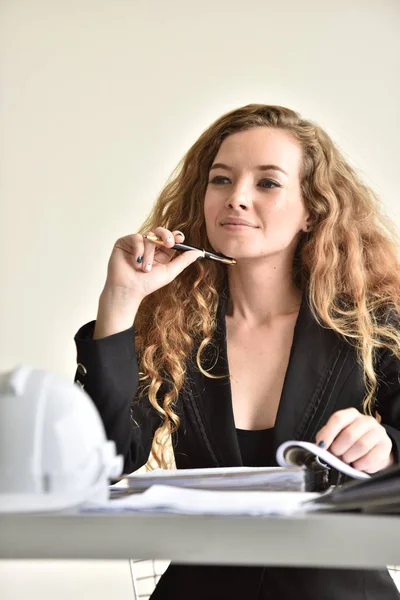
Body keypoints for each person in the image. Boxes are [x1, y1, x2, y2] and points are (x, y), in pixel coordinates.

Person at [74, 104, 400, 599]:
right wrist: (120, 302)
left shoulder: (375, 328)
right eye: (221, 180)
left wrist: (386, 445)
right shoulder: (170, 328)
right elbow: (96, 462)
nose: (237, 198)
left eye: (267, 183)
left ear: (313, 209)